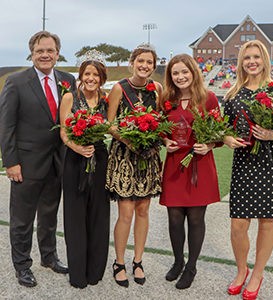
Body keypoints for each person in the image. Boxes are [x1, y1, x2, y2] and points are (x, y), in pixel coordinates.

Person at [223, 40, 273, 300]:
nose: (251, 61)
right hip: (244, 163)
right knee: (238, 224)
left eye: (256, 56)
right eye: (246, 58)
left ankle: (257, 273)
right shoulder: (233, 94)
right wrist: (227, 139)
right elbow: (224, 127)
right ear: (241, 63)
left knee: (267, 221)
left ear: (264, 60)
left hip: (272, 161)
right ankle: (242, 270)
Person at [0, 31, 76, 287]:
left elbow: (71, 120)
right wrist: (11, 162)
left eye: (50, 50)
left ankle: (49, 256)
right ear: (32, 53)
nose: (45, 55)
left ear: (57, 53)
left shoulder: (67, 80)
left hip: (58, 162)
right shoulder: (16, 81)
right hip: (26, 164)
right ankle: (22, 265)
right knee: (22, 219)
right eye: (40, 51)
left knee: (49, 215)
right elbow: (6, 126)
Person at [159, 54, 221, 289]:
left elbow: (219, 133)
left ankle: (191, 266)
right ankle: (177, 262)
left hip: (199, 164)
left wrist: (210, 145)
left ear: (193, 72)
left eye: (185, 71)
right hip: (175, 164)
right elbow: (160, 129)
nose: (180, 76)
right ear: (170, 76)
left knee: (195, 218)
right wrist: (165, 142)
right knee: (174, 218)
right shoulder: (167, 99)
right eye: (175, 73)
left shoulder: (209, 98)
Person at [106, 44, 163, 287]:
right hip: (125, 155)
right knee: (126, 213)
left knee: (143, 211)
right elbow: (109, 124)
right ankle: (119, 262)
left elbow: (159, 121)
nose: (144, 66)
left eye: (149, 62)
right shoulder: (120, 88)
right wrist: (131, 141)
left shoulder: (157, 88)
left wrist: (152, 139)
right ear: (132, 62)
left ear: (153, 65)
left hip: (147, 156)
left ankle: (138, 260)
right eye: (140, 61)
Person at [59, 51, 110, 289]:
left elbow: (110, 128)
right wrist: (77, 148)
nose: (91, 78)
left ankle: (95, 270)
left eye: (96, 74)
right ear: (80, 76)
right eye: (87, 74)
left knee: (99, 214)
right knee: (75, 216)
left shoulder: (106, 99)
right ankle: (78, 273)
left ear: (101, 77)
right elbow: (63, 131)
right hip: (75, 159)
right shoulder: (70, 97)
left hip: (99, 159)